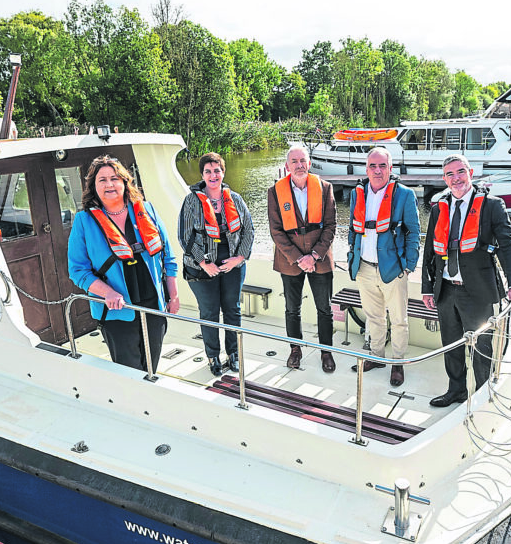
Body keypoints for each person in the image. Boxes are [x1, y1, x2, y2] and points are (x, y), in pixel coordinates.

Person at [421, 154, 511, 408]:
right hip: (446, 289)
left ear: (470, 172)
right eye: (449, 174)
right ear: (443, 178)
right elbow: (429, 251)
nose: (455, 179)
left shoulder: (492, 206)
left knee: (482, 347)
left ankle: (482, 396)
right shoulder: (439, 207)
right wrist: (427, 287)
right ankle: (456, 390)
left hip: (478, 291)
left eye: (460, 172)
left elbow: (508, 245)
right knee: (451, 345)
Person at [68, 155, 179, 372]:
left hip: (154, 306)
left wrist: (173, 296)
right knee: (129, 371)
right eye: (102, 180)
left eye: (114, 178)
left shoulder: (148, 210)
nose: (109, 184)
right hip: (117, 311)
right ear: (93, 186)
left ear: (124, 182)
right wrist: (107, 292)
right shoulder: (83, 221)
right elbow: (77, 270)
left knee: (151, 368)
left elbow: (169, 257)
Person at [346, 147, 421, 387]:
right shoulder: (357, 194)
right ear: (366, 168)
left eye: (382, 166)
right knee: (373, 316)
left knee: (399, 319)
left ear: (391, 168)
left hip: (393, 268)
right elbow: (351, 229)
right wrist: (351, 255)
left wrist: (409, 265)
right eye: (372, 166)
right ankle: (376, 356)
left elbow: (414, 232)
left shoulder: (405, 195)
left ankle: (397, 362)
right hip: (364, 267)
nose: (377, 171)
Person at [178, 152, 255, 376]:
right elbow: (185, 236)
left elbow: (248, 230)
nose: (213, 175)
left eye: (217, 170)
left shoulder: (236, 199)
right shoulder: (191, 201)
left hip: (233, 265)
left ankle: (234, 353)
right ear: (202, 174)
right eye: (208, 171)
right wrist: (204, 263)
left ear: (223, 172)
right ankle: (213, 356)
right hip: (202, 268)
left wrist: (239, 258)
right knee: (209, 312)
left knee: (232, 309)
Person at [268, 146, 337, 372]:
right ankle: (295, 350)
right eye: (294, 161)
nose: (299, 165)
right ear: (287, 166)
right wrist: (299, 258)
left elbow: (330, 226)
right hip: (290, 261)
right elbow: (276, 231)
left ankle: (326, 352)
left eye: (302, 160)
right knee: (291, 309)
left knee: (324, 308)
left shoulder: (325, 189)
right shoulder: (275, 192)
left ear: (309, 163)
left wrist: (315, 255)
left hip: (321, 259)